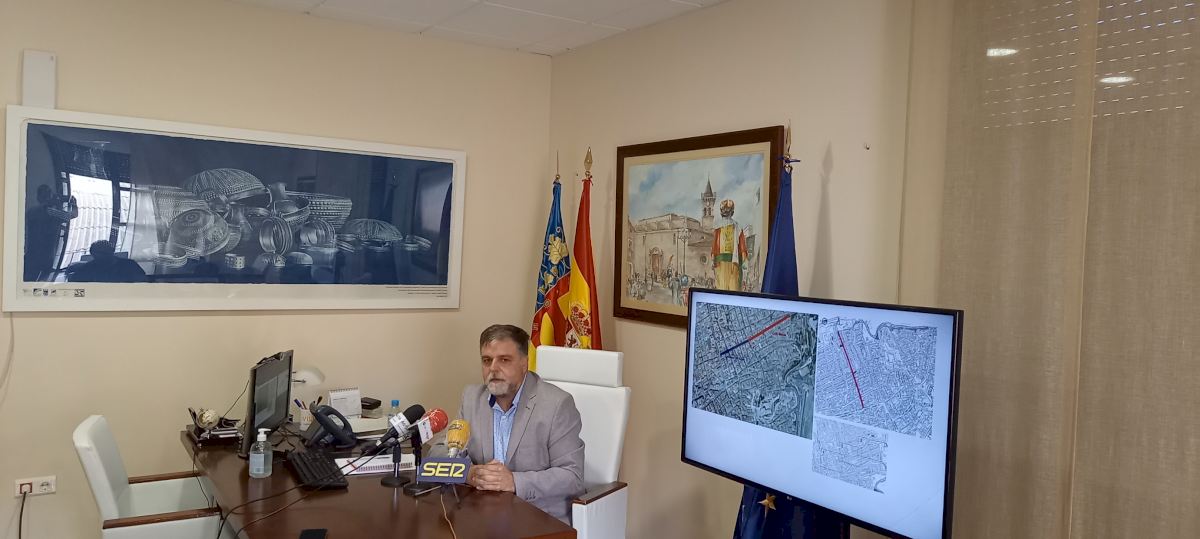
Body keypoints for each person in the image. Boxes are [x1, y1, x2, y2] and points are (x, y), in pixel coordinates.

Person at [458, 324, 585, 523]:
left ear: (524, 363)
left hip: (538, 519)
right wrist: (469, 473)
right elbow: (442, 451)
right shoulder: (472, 398)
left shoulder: (557, 404)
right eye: (487, 360)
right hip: (482, 515)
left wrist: (515, 482)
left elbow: (572, 477)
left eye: (504, 360)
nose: (493, 369)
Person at [66, 240, 147, 283]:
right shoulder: (86, 269)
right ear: (92, 254)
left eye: (105, 252)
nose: (103, 256)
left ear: (112, 251)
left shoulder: (130, 265)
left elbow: (143, 283)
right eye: (100, 253)